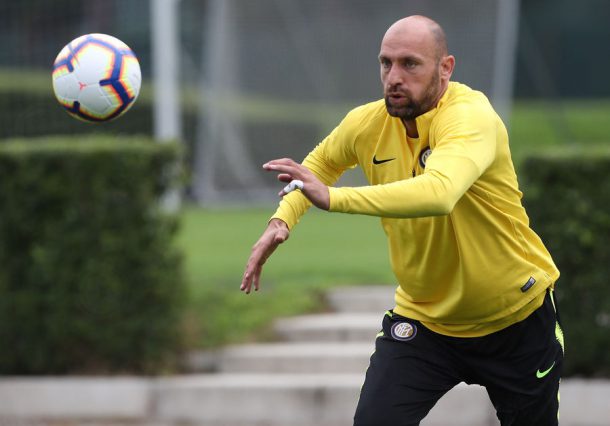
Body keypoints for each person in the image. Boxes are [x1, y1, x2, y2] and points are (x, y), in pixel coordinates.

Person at [240, 15, 564, 426]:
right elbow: (319, 165)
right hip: (425, 323)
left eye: (410, 64)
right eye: (386, 63)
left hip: (515, 319)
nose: (394, 77)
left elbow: (440, 192)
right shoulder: (367, 124)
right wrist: (281, 220)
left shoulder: (470, 117)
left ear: (445, 68)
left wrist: (334, 199)